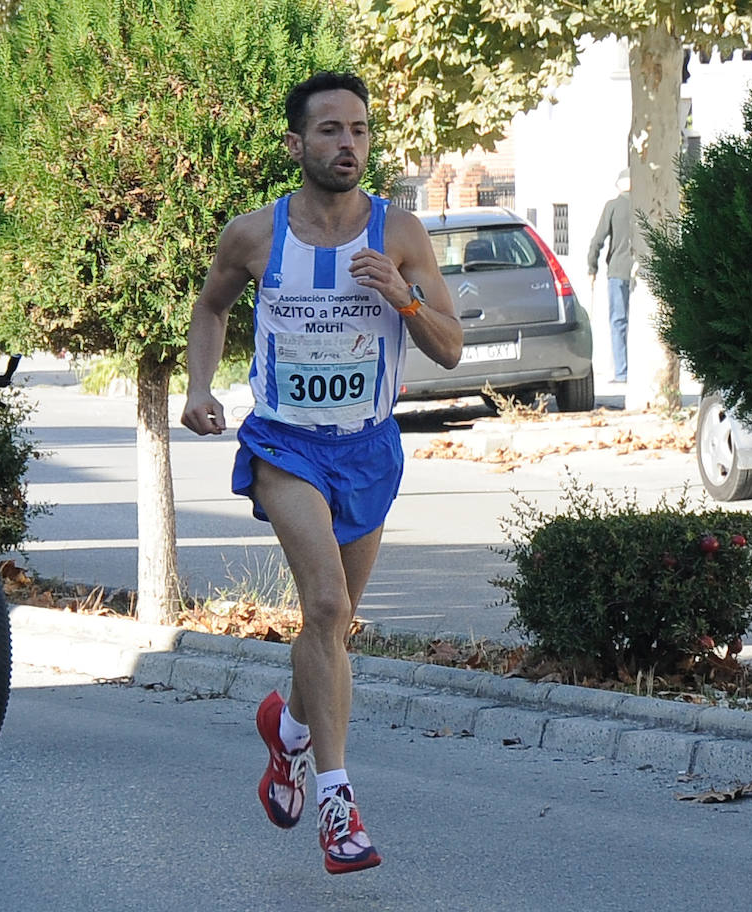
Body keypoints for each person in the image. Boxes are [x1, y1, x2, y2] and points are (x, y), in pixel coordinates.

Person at [180, 72, 462, 874]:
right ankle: (337, 804)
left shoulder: (399, 232)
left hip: (369, 448)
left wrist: (404, 296)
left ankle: (290, 730)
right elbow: (211, 308)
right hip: (286, 445)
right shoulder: (254, 236)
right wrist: (200, 389)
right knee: (328, 603)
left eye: (362, 131)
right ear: (297, 144)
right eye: (332, 130)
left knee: (331, 631)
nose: (350, 145)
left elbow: (450, 348)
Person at [587, 169, 634, 383]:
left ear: (619, 185)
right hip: (640, 271)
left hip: (617, 271)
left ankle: (622, 372)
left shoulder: (613, 206)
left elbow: (598, 239)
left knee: (618, 321)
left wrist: (592, 267)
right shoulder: (643, 204)